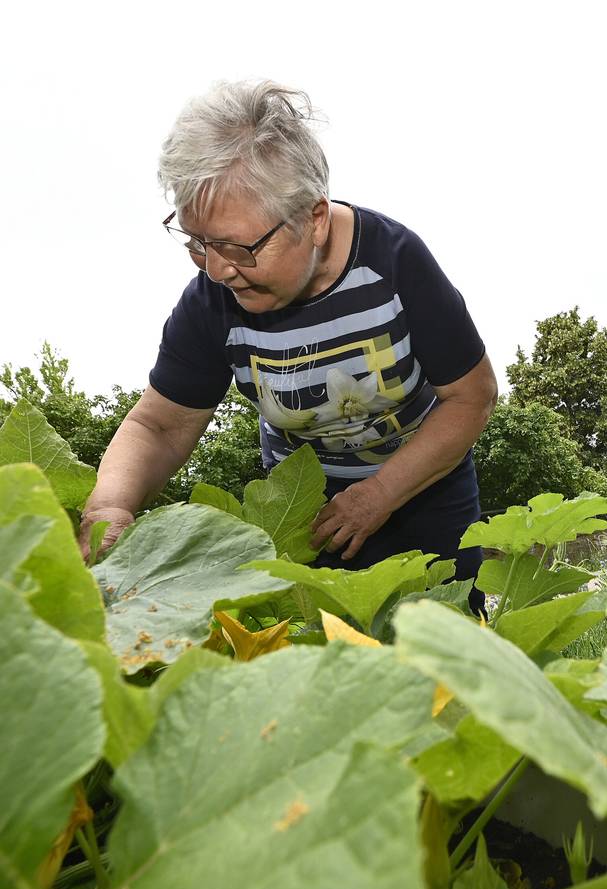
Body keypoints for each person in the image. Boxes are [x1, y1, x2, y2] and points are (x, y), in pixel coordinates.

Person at [79, 80, 498, 596]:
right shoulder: (210, 303)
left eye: (237, 247)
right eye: (196, 243)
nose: (216, 271)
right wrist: (109, 506)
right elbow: (161, 426)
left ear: (314, 219)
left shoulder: (394, 263)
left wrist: (379, 494)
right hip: (304, 505)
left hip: (423, 485)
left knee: (445, 641)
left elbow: (471, 397)